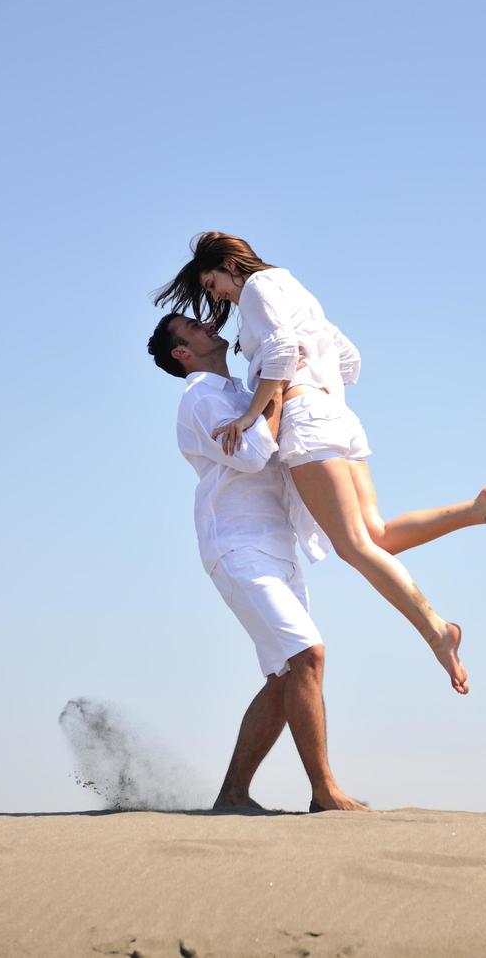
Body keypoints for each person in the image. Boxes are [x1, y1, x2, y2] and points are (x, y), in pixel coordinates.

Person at [154, 232, 486, 696]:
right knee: (376, 536)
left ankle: (438, 631)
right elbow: (349, 359)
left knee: (355, 546)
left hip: (305, 418)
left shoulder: (256, 290)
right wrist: (315, 381)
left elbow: (278, 353)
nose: (215, 295)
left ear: (227, 265)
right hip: (336, 414)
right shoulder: (293, 287)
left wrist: (252, 411)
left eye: (212, 281)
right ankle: (477, 509)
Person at [147, 311, 364, 812]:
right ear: (182, 352)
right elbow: (248, 455)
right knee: (308, 654)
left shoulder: (243, 395)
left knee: (287, 675)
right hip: (237, 545)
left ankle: (232, 795)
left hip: (279, 546)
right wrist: (279, 393)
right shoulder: (199, 396)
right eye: (193, 328)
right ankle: (325, 792)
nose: (208, 325)